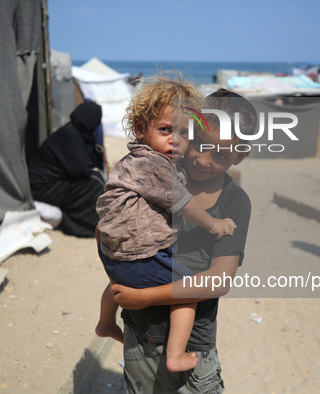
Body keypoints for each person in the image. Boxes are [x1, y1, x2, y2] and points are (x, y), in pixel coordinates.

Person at [110, 88, 257, 393]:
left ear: (240, 154)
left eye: (221, 154)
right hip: (142, 330)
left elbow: (218, 281)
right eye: (199, 144)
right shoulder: (160, 173)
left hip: (194, 341)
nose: (203, 160)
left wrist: (145, 297)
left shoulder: (235, 203)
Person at [28, 101, 106, 237]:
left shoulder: (80, 135)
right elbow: (82, 169)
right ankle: (95, 225)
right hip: (41, 187)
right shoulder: (68, 135)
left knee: (97, 179)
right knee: (95, 183)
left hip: (52, 184)